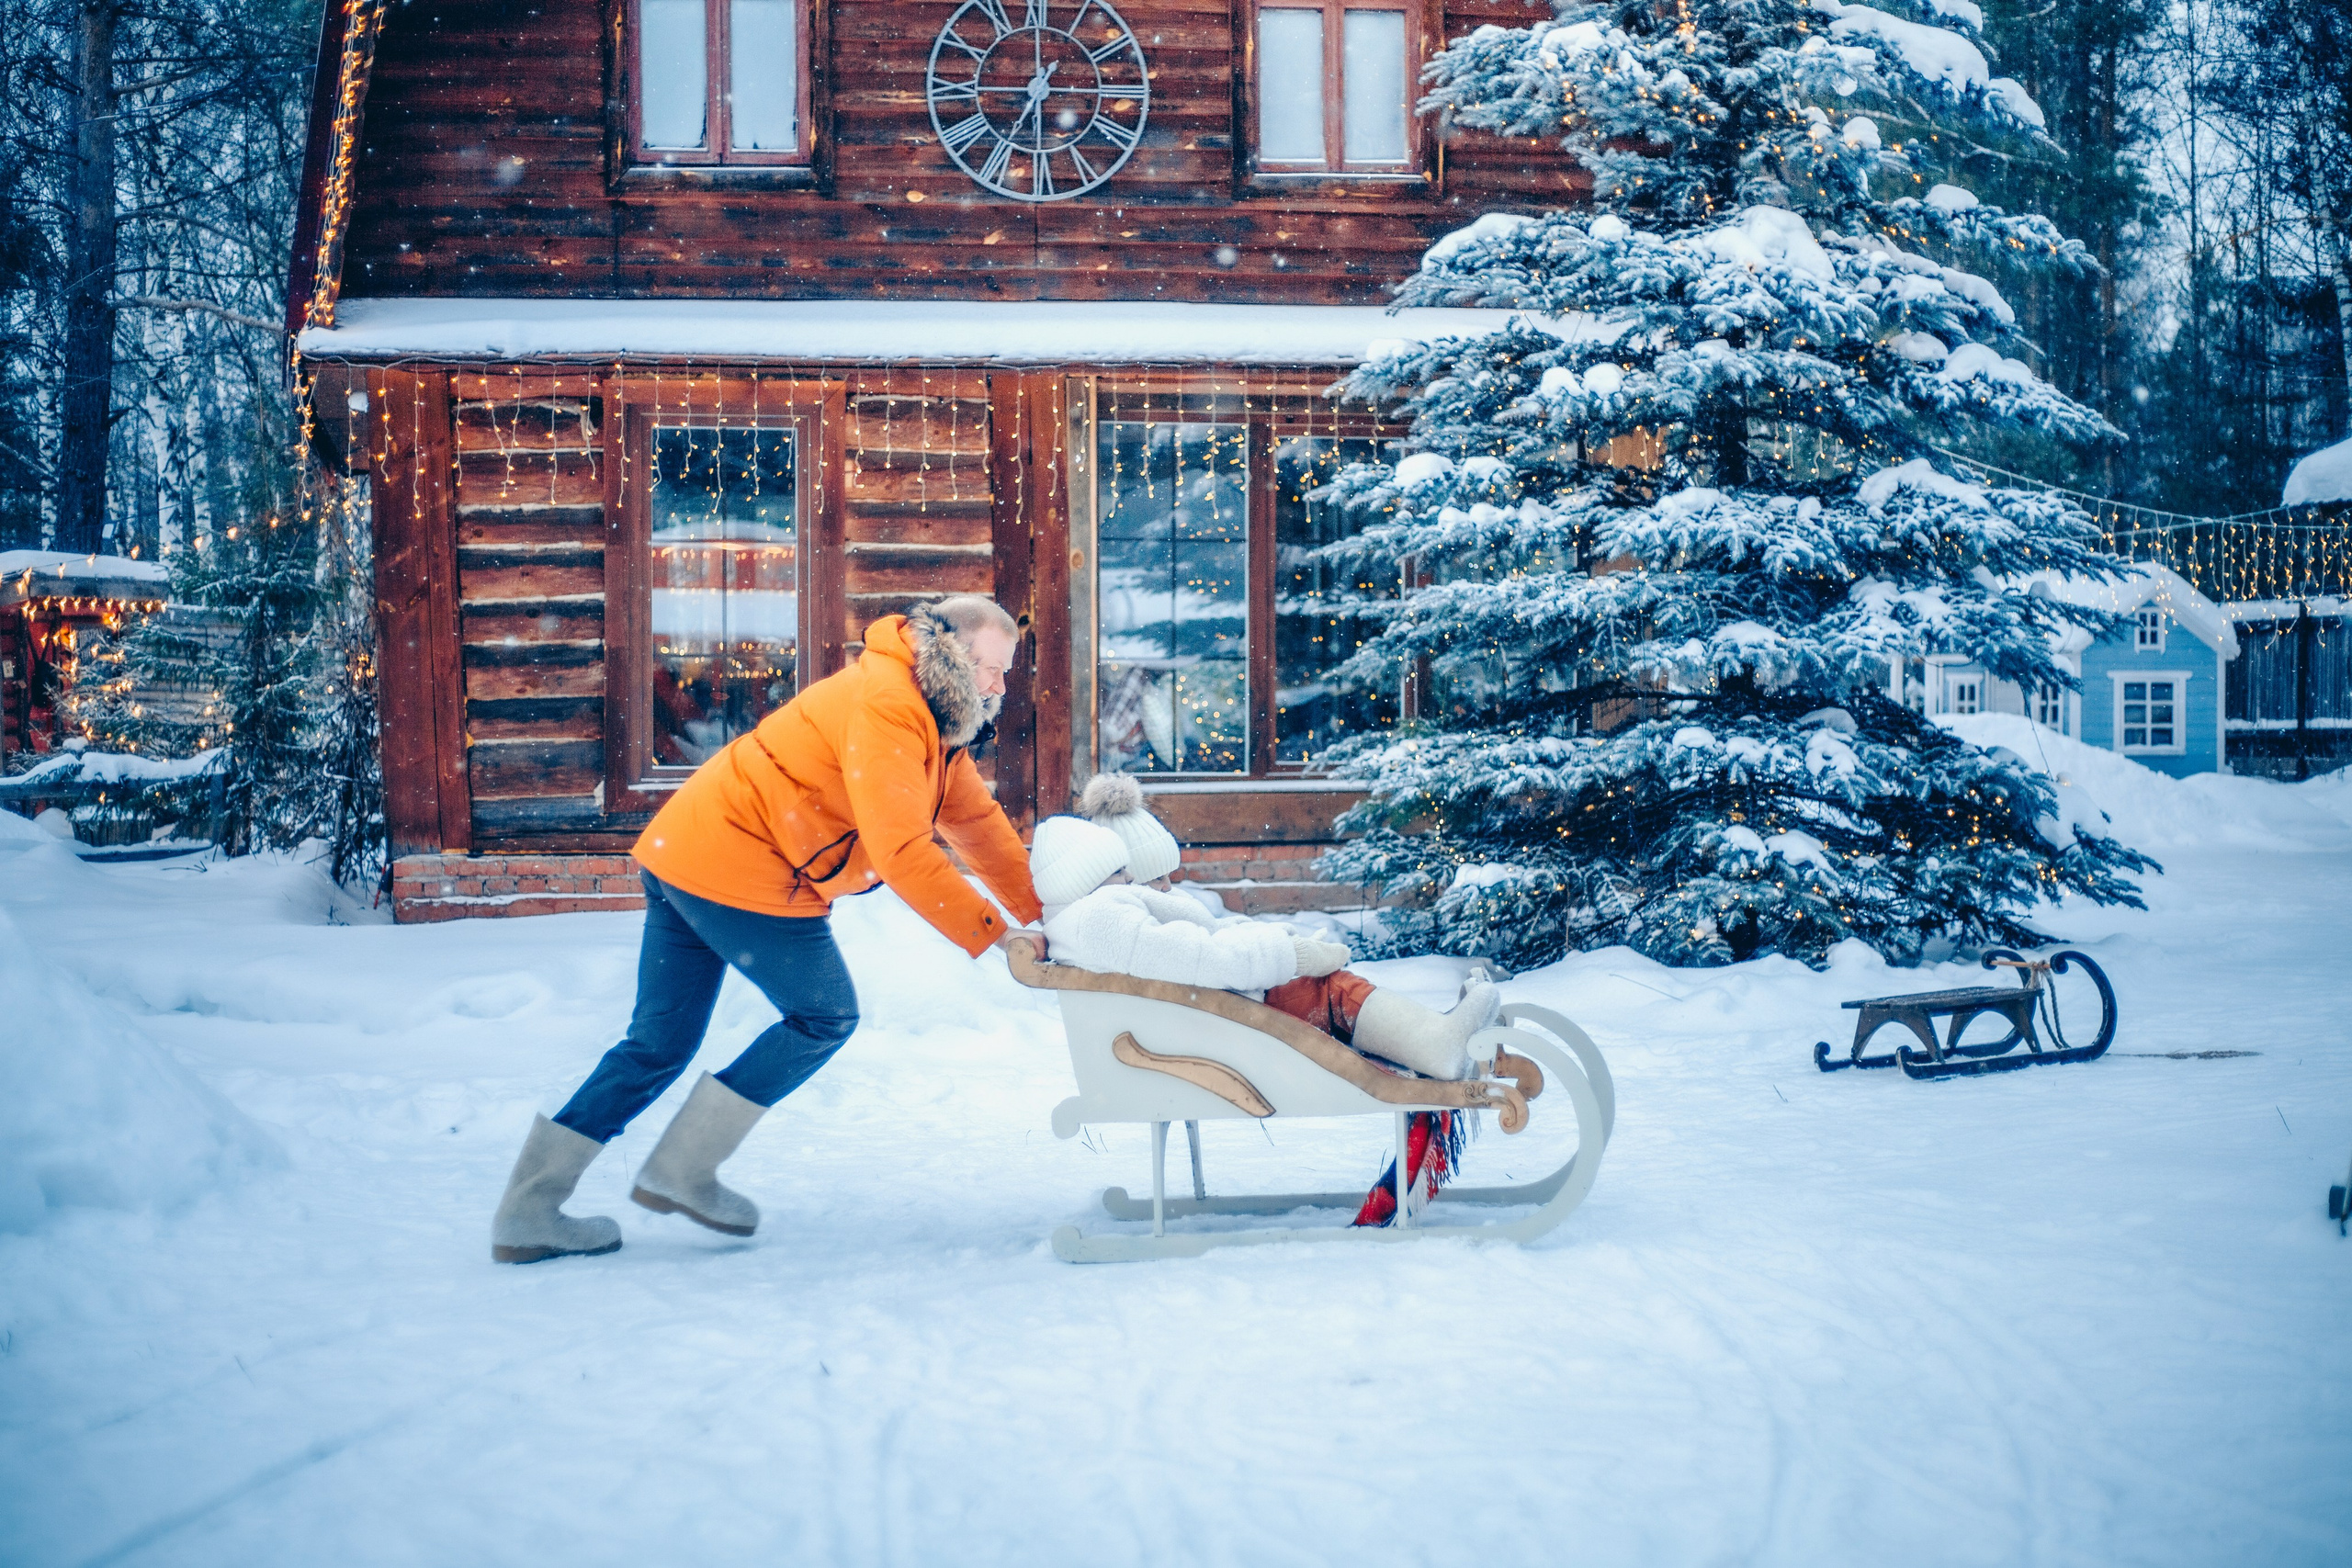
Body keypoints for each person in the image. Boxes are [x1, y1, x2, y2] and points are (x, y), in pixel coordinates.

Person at [491, 597, 1043, 1264]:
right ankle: (682, 1168)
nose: (999, 687)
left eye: (1006, 674)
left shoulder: (933, 720)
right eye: (993, 669)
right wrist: (995, 934)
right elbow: (901, 850)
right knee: (824, 1014)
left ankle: (530, 1208)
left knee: (658, 1042)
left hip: (685, 851)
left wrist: (1043, 911)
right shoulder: (890, 704)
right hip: (740, 863)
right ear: (952, 651)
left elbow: (978, 826)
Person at [1031, 773, 1500, 1082]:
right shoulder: (1103, 916)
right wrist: (1289, 957)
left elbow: (1201, 942)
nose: (1134, 880)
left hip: (1201, 1015)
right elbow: (1200, 956)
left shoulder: (1095, 915)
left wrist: (1280, 945)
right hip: (1211, 1024)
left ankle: (1425, 1038)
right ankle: (1434, 1045)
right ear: (1090, 878)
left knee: (1325, 986)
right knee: (1329, 989)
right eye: (1121, 872)